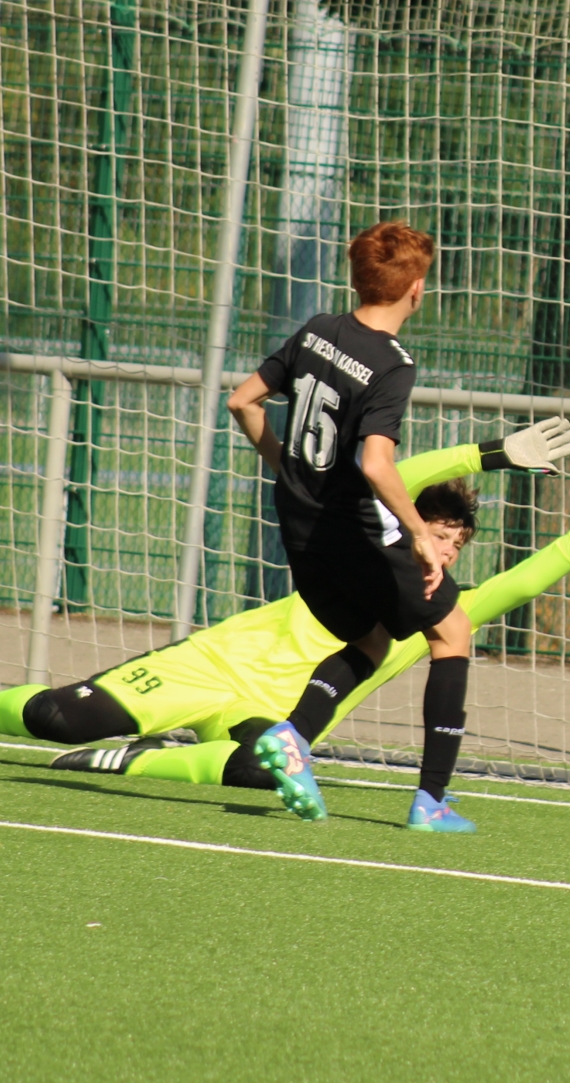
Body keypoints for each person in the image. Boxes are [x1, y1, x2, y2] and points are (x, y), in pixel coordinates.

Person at [0, 441, 570, 833]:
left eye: (458, 543)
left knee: (268, 771)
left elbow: (520, 584)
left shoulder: (435, 610)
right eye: (439, 532)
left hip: (270, 717)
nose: (448, 550)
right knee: (62, 715)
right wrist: (491, 455)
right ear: (406, 524)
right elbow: (389, 474)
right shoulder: (362, 556)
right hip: (214, 665)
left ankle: (136, 759)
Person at [225, 219, 486, 825]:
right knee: (453, 632)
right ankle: (431, 801)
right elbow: (375, 463)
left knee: (372, 637)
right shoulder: (392, 363)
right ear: (416, 289)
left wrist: (289, 467)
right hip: (353, 530)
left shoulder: (318, 330)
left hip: (298, 526)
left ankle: (294, 735)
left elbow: (242, 401)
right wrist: (419, 535)